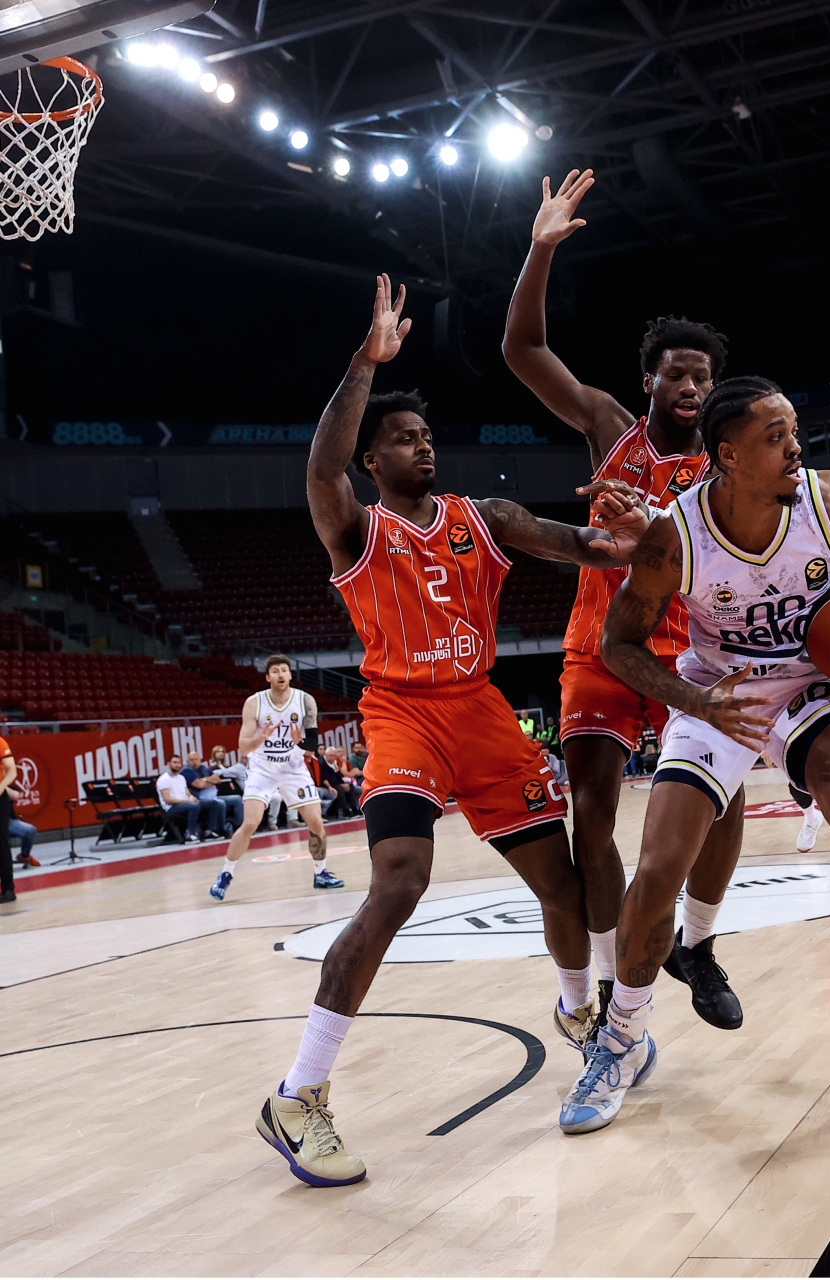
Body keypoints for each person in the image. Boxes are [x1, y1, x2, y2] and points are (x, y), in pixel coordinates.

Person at [253, 274, 650, 1189]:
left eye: (427, 434)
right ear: (374, 460)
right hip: (400, 713)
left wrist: (644, 531)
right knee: (401, 883)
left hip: (479, 712)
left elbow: (588, 547)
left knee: (566, 882)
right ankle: (298, 1093)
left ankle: (578, 1011)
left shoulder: (488, 520)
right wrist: (366, 363)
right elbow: (319, 469)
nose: (422, 445)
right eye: (403, 437)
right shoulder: (356, 527)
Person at [559, 375, 830, 1138]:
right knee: (659, 866)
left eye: (795, 430)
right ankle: (623, 1036)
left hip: (812, 681)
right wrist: (696, 704)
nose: (796, 446)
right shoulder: (678, 535)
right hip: (717, 691)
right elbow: (617, 644)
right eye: (775, 436)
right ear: (727, 455)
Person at [503, 167, 750, 1029]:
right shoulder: (611, 427)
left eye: (703, 376)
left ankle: (701, 944)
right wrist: (539, 252)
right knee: (591, 818)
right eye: (677, 374)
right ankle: (612, 983)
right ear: (650, 380)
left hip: (691, 649)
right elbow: (523, 354)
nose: (690, 386)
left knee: (727, 801)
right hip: (602, 643)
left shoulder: (733, 463)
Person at [209, 656, 339, 901]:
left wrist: (299, 740)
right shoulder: (254, 703)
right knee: (250, 823)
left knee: (316, 823)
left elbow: (312, 743)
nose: (281, 674)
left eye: (285, 670)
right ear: (268, 677)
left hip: (293, 767)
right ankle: (226, 874)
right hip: (262, 767)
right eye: (275, 671)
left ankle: (321, 874)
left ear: (290, 675)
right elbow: (243, 748)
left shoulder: (305, 701)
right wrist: (263, 736)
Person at [183, 750, 230, 837]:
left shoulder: (203, 768)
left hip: (213, 795)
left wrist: (205, 780)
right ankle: (216, 830)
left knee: (238, 799)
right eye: (191, 760)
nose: (194, 762)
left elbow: (217, 779)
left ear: (200, 759)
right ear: (187, 761)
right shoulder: (187, 771)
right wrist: (210, 781)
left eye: (196, 759)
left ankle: (240, 827)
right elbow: (200, 785)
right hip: (197, 798)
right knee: (219, 804)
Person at [156, 755, 202, 843]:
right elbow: (168, 800)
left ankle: (212, 831)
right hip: (171, 807)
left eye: (179, 763)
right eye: (174, 762)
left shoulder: (181, 778)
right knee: (194, 806)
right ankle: (189, 833)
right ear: (168, 764)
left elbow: (187, 792)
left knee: (209, 803)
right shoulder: (163, 779)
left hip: (185, 804)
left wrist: (191, 797)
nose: (177, 765)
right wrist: (187, 801)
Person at [0, 734, 16, 903]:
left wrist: (2, 785)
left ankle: (8, 889)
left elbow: (12, 770)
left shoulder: (0, 742)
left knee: (1, 843)